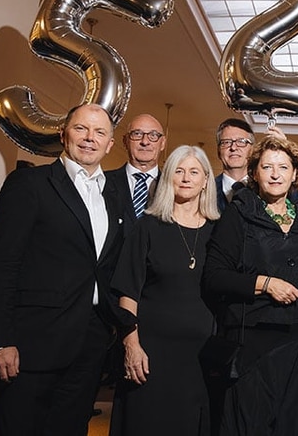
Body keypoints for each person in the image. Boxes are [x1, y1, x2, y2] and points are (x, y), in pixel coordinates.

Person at [0, 104, 124, 436]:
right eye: (81, 129)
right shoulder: (29, 184)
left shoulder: (113, 196)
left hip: (89, 346)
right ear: (63, 134)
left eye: (99, 132)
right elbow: (1, 264)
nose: (89, 138)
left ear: (110, 144)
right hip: (30, 345)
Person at [203, 136, 298, 435]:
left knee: (295, 424)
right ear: (254, 173)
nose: (276, 174)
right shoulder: (239, 214)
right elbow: (214, 276)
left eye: (283, 167)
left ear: (295, 174)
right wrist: (265, 284)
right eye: (267, 167)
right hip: (254, 340)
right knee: (250, 424)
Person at [108, 145, 220, 435]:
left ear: (206, 179)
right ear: (168, 177)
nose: (186, 178)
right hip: (151, 355)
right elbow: (127, 293)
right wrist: (131, 346)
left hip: (201, 359)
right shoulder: (147, 226)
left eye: (194, 171)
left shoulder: (219, 230)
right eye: (178, 171)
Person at [213, 118, 297, 213]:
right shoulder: (206, 189)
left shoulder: (269, 184)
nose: (233, 147)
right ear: (218, 151)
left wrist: (284, 151)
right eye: (226, 142)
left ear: (253, 149)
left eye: (241, 141)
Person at [106, 114, 167, 235]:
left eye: (153, 135)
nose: (145, 142)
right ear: (125, 141)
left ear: (163, 143)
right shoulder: (102, 183)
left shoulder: (173, 188)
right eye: (137, 134)